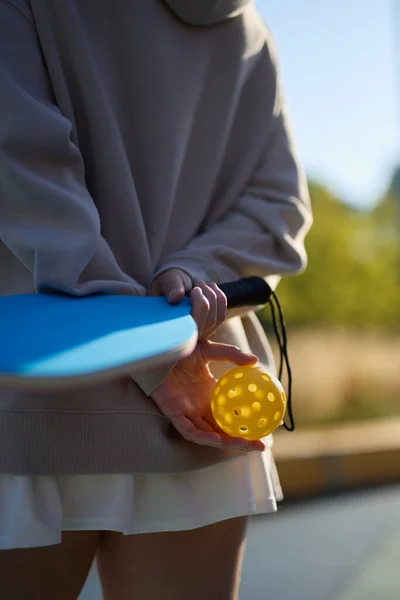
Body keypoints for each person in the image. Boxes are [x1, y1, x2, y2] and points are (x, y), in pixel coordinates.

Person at [0, 1, 312, 598]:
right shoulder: (250, 32)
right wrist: (188, 289)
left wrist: (141, 343)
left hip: (33, 391)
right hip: (205, 399)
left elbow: (19, 173)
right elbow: (280, 206)